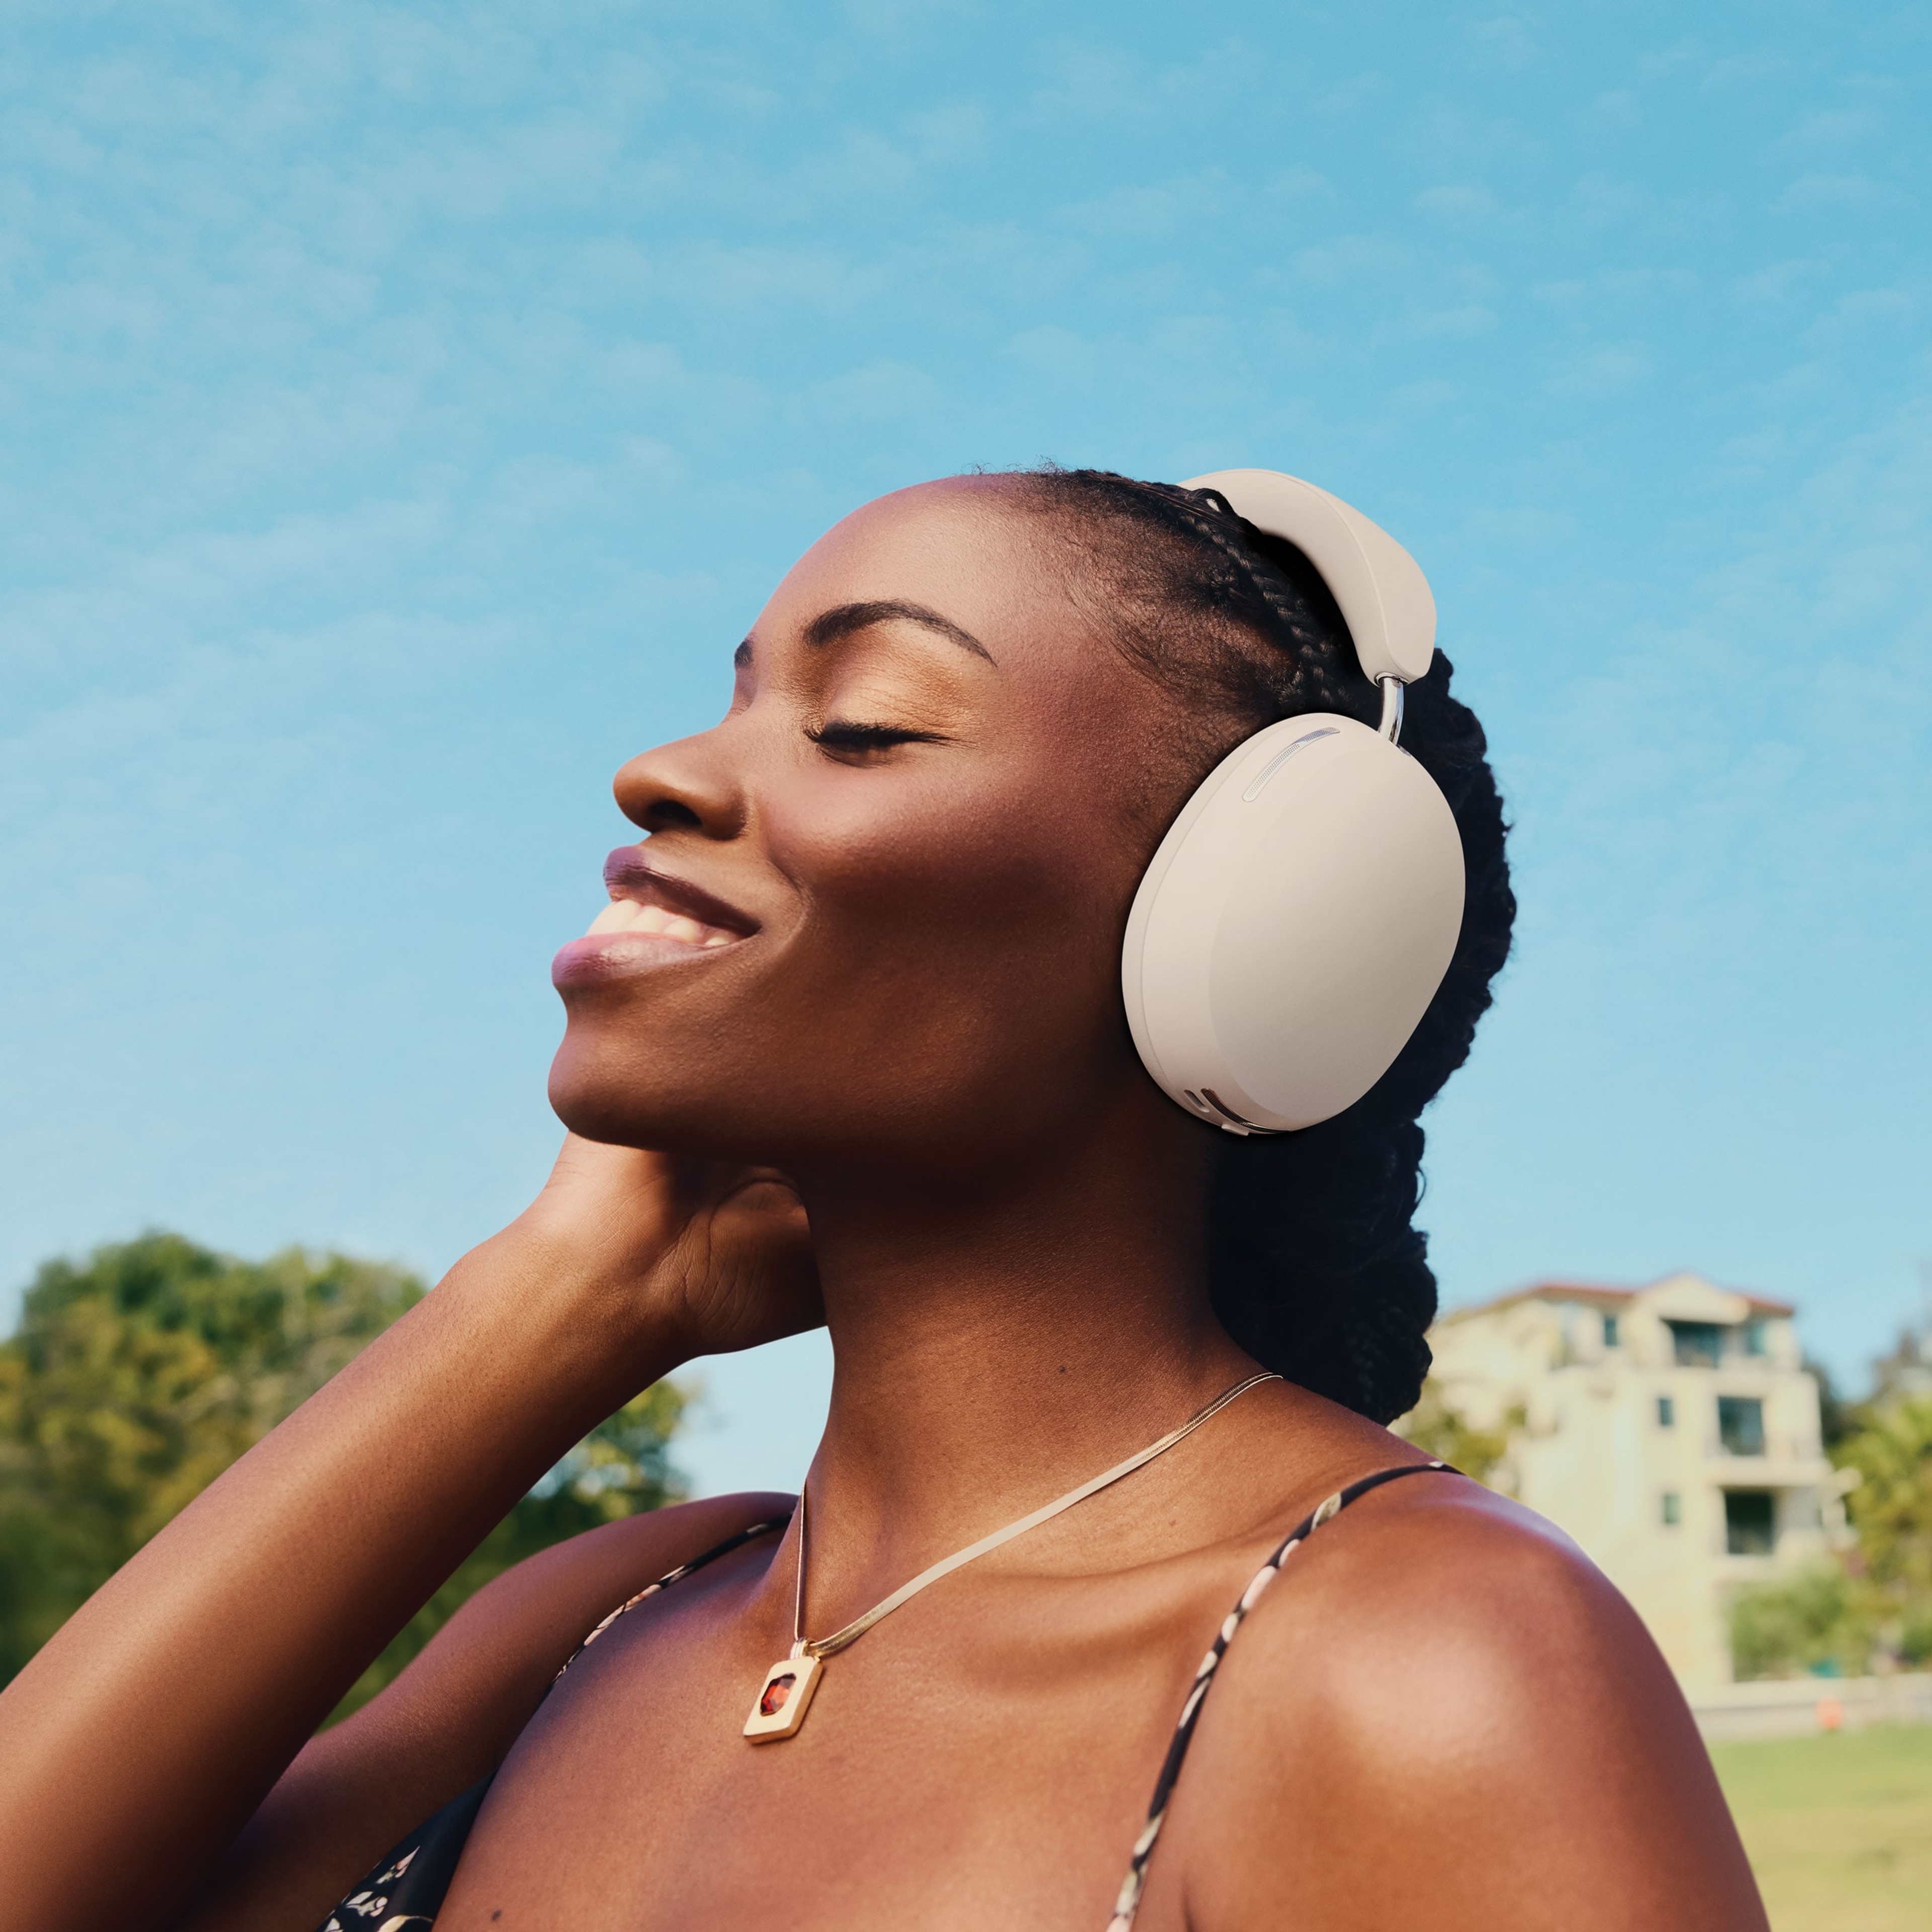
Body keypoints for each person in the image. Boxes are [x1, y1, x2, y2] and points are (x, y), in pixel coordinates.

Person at [0, 469, 1767, 1931]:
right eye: (739, 693)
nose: (665, 772)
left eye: (863, 723)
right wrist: (549, 1306)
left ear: (1253, 930)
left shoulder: (1423, 1664)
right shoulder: (615, 1609)